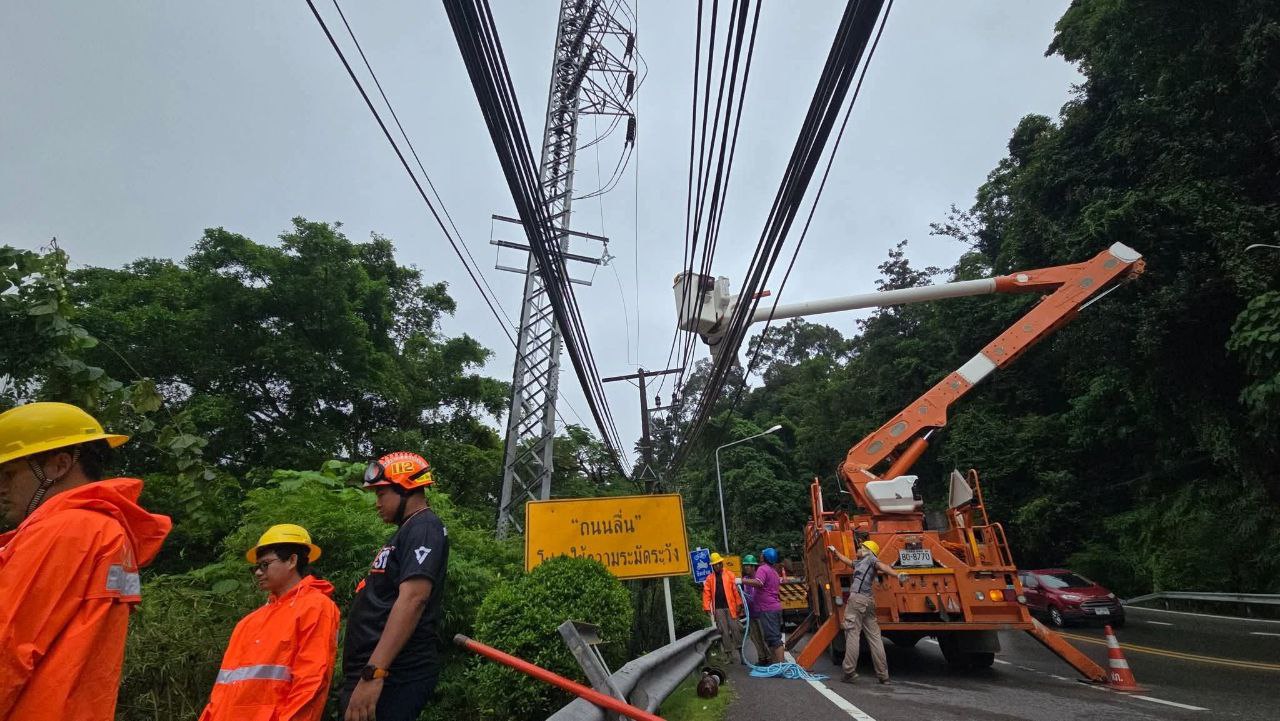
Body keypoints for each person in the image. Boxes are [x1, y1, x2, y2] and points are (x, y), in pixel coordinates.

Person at [0, 402, 171, 720]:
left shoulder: (67, 528)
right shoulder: (107, 531)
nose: (2, 488)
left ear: (59, 464)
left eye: (9, 474)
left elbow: (7, 641)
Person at [341, 452, 450, 721]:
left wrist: (374, 673)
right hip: (375, 672)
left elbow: (413, 599)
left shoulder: (425, 528)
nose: (377, 503)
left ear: (406, 489)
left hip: (394, 674)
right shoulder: (406, 530)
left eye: (381, 494)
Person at [199, 524, 340, 721]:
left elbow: (311, 681)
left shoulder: (316, 607)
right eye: (256, 567)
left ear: (292, 560)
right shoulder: (248, 622)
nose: (258, 572)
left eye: (265, 565)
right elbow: (222, 691)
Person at [827, 540, 908, 684]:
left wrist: (897, 575)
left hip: (857, 601)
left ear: (867, 550)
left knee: (852, 634)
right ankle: (883, 676)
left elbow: (882, 566)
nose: (858, 549)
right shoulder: (860, 563)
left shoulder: (871, 559)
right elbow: (847, 561)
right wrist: (835, 551)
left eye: (861, 547)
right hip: (869, 602)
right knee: (875, 637)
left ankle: (849, 672)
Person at [740, 547, 785, 664]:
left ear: (765, 557)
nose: (760, 555)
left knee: (774, 639)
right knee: (771, 639)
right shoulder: (773, 571)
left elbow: (759, 582)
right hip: (771, 608)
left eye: (762, 554)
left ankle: (780, 666)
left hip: (768, 609)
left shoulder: (763, 569)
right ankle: (775, 666)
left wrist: (741, 581)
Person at [701, 552, 743, 663]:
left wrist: (739, 604)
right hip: (718, 609)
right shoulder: (710, 578)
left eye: (718, 564)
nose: (717, 566)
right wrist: (706, 607)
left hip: (731, 607)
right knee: (723, 632)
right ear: (712, 566)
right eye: (715, 565)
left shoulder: (730, 575)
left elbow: (735, 591)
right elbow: (707, 593)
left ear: (721, 563)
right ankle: (729, 656)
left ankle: (741, 655)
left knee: (736, 629)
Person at [739, 554, 771, 665]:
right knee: (755, 637)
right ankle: (762, 658)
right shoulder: (745, 581)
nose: (746, 568)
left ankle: (770, 658)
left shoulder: (759, 578)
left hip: (761, 613)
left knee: (765, 636)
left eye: (749, 565)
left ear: (754, 566)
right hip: (751, 614)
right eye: (745, 566)